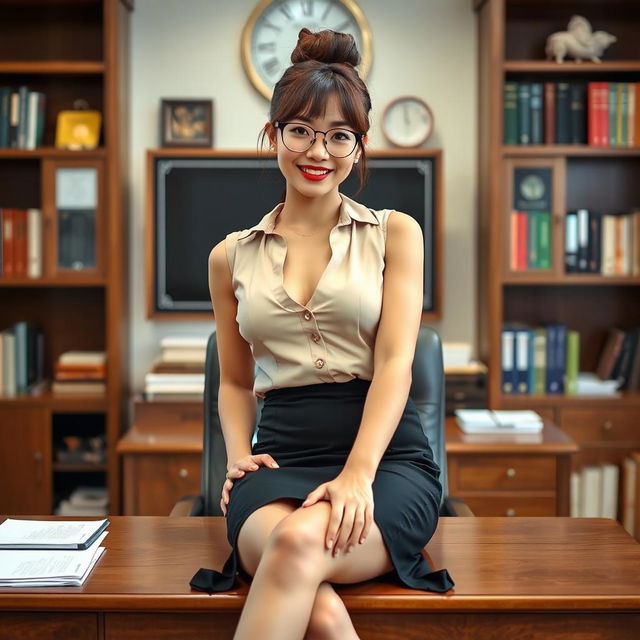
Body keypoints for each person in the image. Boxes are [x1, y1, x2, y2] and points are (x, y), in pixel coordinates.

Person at [190, 28, 453, 640]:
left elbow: (395, 365)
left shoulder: (396, 235)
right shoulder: (229, 256)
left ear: (359, 147)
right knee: (310, 583)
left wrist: (358, 473)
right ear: (274, 134)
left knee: (299, 549)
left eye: (340, 135)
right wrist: (235, 457)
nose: (319, 150)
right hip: (278, 459)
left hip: (385, 461)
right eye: (302, 130)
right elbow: (233, 379)